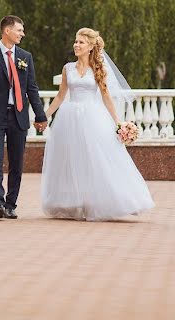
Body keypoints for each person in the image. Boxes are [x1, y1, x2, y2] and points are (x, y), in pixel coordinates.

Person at [41, 28, 155, 221]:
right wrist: (44, 117)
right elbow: (60, 96)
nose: (76, 45)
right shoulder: (68, 68)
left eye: (81, 43)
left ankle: (118, 201)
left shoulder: (98, 69)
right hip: (69, 118)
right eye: (76, 42)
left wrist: (119, 123)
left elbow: (106, 98)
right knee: (72, 160)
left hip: (93, 117)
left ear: (91, 47)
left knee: (100, 158)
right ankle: (75, 202)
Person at [0, 15, 48, 219]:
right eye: (19, 30)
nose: (22, 34)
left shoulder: (26, 56)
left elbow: (31, 88)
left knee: (17, 162)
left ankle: (11, 204)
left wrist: (40, 116)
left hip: (18, 116)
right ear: (7, 31)